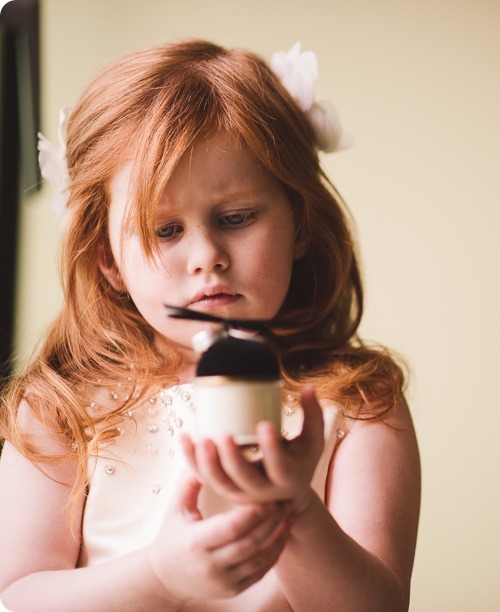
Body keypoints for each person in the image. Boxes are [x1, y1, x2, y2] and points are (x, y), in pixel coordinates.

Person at [0, 39, 421, 611]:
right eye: (165, 231)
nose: (206, 256)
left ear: (299, 224)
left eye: (236, 218)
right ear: (107, 259)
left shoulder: (359, 404)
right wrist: (159, 576)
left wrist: (294, 510)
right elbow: (16, 598)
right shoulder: (60, 409)